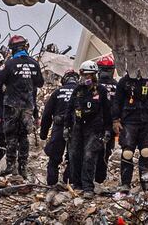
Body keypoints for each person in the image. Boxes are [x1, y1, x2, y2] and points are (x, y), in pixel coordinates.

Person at [0, 35, 44, 178]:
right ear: (25, 47)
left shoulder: (9, 64)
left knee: (11, 136)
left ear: (12, 49)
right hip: (28, 107)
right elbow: (39, 83)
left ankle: (10, 167)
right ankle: (23, 168)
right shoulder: (34, 63)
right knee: (24, 136)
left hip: (11, 105)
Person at [112, 69, 148, 191]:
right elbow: (117, 102)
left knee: (146, 151)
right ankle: (125, 183)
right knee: (127, 153)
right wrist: (115, 120)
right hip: (129, 120)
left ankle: (146, 181)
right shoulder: (124, 82)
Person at [66, 61, 112, 197]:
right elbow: (70, 110)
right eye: (85, 75)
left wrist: (108, 129)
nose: (87, 78)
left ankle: (88, 187)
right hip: (78, 127)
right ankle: (77, 184)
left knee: (89, 156)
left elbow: (107, 111)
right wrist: (66, 127)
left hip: (95, 128)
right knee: (74, 155)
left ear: (95, 75)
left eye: (90, 75)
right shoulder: (77, 90)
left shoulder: (101, 91)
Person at [40, 69, 78, 186]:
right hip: (76, 128)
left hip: (59, 127)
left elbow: (46, 114)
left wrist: (43, 134)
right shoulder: (81, 92)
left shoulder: (57, 92)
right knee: (73, 156)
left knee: (54, 156)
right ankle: (69, 181)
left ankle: (51, 183)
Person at [94, 54, 119, 184]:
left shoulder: (93, 86)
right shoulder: (118, 86)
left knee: (91, 151)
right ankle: (100, 178)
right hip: (110, 124)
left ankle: (92, 178)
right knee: (106, 152)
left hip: (95, 124)